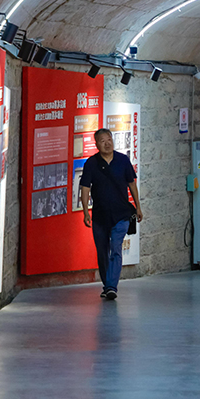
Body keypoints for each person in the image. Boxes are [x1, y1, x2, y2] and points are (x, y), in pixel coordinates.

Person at [80, 128, 143, 300]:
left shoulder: (123, 160)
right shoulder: (91, 164)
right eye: (102, 140)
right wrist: (86, 212)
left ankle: (111, 286)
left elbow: (132, 184)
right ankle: (107, 284)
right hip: (100, 215)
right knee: (102, 251)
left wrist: (138, 206)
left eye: (109, 139)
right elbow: (85, 189)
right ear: (96, 144)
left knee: (116, 248)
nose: (107, 143)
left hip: (121, 214)